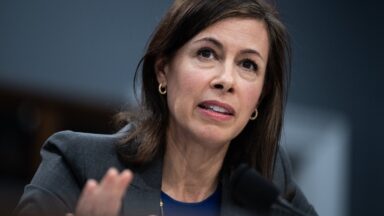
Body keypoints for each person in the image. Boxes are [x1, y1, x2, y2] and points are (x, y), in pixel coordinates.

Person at [15, 0, 318, 215]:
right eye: (207, 53)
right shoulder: (78, 165)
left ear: (261, 97)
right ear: (163, 70)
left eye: (248, 64)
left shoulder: (270, 184)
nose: (226, 80)